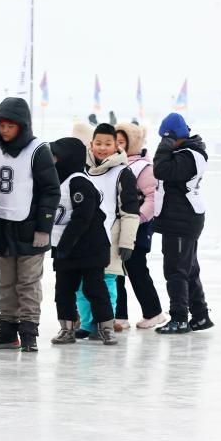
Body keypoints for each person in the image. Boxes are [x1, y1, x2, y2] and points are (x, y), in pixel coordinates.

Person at [0, 97, 60, 352]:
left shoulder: (38, 150)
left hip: (29, 227)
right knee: (6, 281)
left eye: (10, 126)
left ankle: (28, 332)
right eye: (1, 125)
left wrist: (43, 228)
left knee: (28, 282)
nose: (4, 130)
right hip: (2, 226)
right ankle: (7, 331)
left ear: (22, 126)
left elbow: (51, 190)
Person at [48, 137, 116, 345]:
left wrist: (65, 244)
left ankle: (106, 327)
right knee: (64, 289)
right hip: (64, 247)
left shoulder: (79, 182)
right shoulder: (55, 182)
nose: (52, 161)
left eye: (56, 157)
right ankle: (66, 328)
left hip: (90, 247)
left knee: (94, 287)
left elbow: (83, 217)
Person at [73, 124, 139, 341]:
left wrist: (127, 243)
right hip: (84, 238)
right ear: (91, 144)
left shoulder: (123, 173)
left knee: (107, 282)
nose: (102, 148)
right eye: (98, 143)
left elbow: (130, 212)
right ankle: (87, 324)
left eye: (108, 144)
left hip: (111, 238)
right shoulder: (81, 170)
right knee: (82, 284)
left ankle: (105, 324)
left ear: (117, 146)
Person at [152, 113, 213, 333]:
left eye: (166, 138)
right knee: (188, 269)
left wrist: (165, 144)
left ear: (174, 136)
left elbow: (160, 170)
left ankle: (179, 318)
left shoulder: (188, 156)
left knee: (176, 270)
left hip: (181, 221)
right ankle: (200, 315)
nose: (163, 143)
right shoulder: (186, 153)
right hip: (183, 218)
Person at [114, 123, 166, 328]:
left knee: (136, 269)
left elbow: (153, 198)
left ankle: (153, 312)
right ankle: (120, 316)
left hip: (138, 227)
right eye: (115, 141)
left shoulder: (142, 167)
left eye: (121, 142)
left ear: (132, 143)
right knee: (116, 270)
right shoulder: (116, 164)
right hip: (118, 226)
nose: (118, 146)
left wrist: (138, 219)